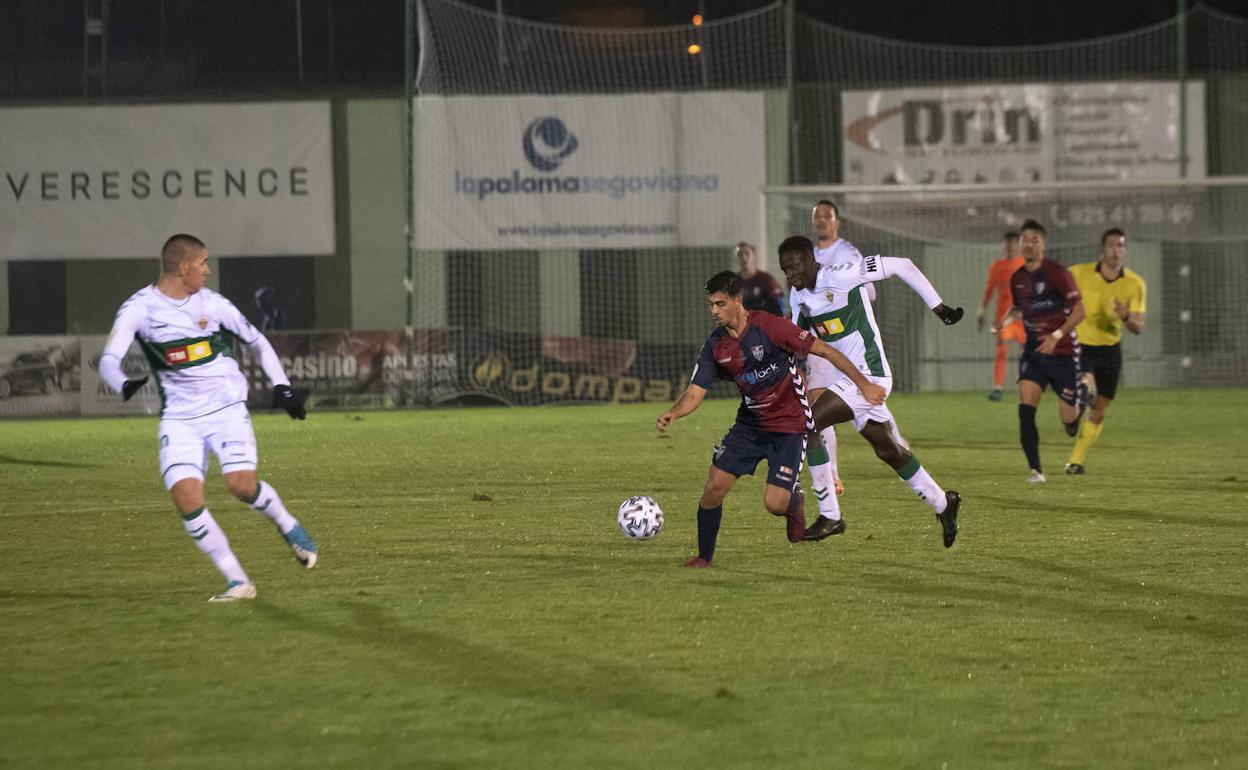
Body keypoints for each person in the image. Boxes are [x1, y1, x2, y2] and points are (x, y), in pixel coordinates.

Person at [99, 234, 318, 602]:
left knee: (241, 486)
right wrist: (122, 384)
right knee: (186, 497)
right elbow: (109, 359)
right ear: (183, 266)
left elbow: (257, 341)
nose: (208, 270)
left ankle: (288, 524)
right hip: (180, 418)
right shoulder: (140, 308)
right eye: (203, 263)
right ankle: (238, 581)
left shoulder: (213, 304)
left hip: (226, 408)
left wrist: (282, 386)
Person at [655, 270, 878, 568]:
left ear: (738, 300)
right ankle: (704, 557)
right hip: (749, 426)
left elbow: (824, 349)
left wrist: (863, 384)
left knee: (774, 504)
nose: (714, 311)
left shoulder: (771, 327)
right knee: (713, 489)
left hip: (789, 426)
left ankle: (793, 503)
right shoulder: (716, 346)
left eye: (720, 304)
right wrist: (674, 412)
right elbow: (695, 392)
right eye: (711, 305)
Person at [779, 236, 963, 547]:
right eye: (785, 269)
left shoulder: (843, 274)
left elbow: (902, 265)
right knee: (888, 450)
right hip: (851, 382)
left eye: (795, 266)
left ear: (812, 259)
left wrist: (939, 307)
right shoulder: (799, 296)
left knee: (807, 423)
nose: (791, 274)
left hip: (871, 377)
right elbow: (797, 340)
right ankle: (943, 502)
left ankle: (830, 514)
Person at [990, 219, 1087, 483]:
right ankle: (1036, 470)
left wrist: (1056, 336)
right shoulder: (1018, 278)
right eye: (1025, 240)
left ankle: (1082, 394)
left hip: (1063, 353)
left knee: (1069, 420)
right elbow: (1018, 309)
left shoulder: (1058, 273)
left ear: (1044, 245)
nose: (1029, 244)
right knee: (1025, 409)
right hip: (1033, 354)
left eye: (1035, 240)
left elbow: (1080, 311)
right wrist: (1003, 323)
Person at [1064, 228, 1147, 475]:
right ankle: (1075, 407)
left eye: (1120, 246)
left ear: (1125, 250)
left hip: (1110, 350)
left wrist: (1126, 316)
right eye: (1111, 245)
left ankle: (1076, 461)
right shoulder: (1079, 273)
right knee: (1087, 384)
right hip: (1082, 345)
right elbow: (1059, 291)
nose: (1116, 250)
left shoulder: (1135, 283)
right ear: (1102, 249)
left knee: (1099, 410)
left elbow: (1138, 326)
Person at [978, 231, 1026, 401]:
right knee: (1001, 351)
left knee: (1028, 352)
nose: (1010, 247)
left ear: (1019, 246)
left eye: (1014, 244)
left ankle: (1027, 384)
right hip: (1003, 319)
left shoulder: (1025, 265)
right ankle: (997, 389)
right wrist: (982, 311)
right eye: (1008, 244)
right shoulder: (997, 266)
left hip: (1022, 317)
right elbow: (989, 290)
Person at [735, 241, 786, 317]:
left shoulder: (766, 279)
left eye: (747, 253)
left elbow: (780, 305)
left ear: (754, 256)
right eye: (740, 254)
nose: (744, 257)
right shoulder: (733, 281)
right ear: (736, 259)